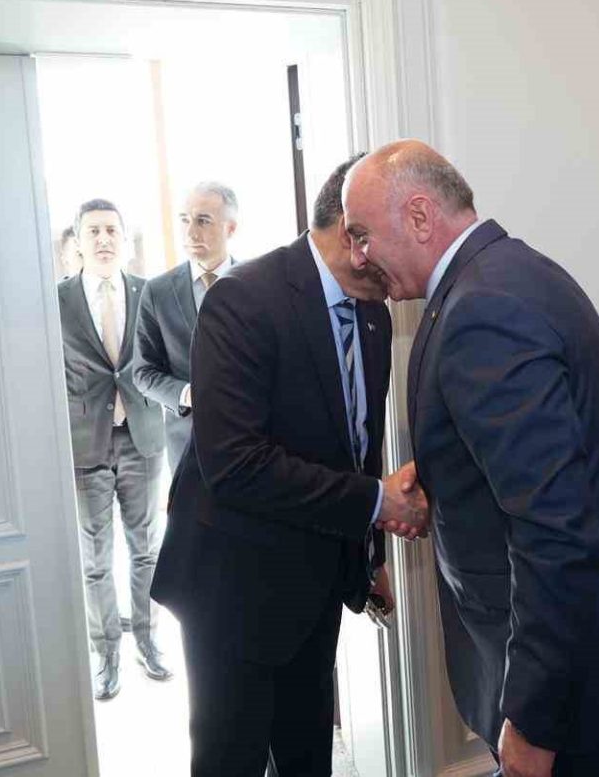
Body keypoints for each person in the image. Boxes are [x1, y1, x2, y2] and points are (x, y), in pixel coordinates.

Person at [343, 141, 599, 777]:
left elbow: (553, 530)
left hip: (568, 667)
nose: (358, 256)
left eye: (362, 234)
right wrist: (440, 481)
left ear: (419, 216)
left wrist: (533, 719)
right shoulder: (506, 273)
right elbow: (536, 463)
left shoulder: (483, 311)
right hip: (577, 639)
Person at [151, 158, 426, 776]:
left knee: (307, 757)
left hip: (316, 581)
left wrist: (368, 556)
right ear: (355, 236)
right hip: (234, 592)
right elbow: (234, 464)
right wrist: (377, 503)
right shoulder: (242, 301)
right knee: (232, 760)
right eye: (397, 235)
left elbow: (357, 447)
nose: (406, 261)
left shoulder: (375, 314)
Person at [59, 199, 172, 700]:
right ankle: (105, 652)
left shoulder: (149, 293)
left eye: (111, 230)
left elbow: (162, 361)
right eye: (94, 231)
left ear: (124, 239)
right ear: (78, 242)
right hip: (85, 443)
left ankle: (147, 640)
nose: (103, 239)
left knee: (146, 550)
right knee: (95, 558)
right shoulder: (56, 299)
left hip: (142, 437)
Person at [131, 182, 240, 471]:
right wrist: (187, 395)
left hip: (253, 440)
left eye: (203, 221)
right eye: (184, 220)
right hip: (187, 447)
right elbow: (143, 372)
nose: (191, 232)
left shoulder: (258, 284)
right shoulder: (157, 292)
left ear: (230, 228)